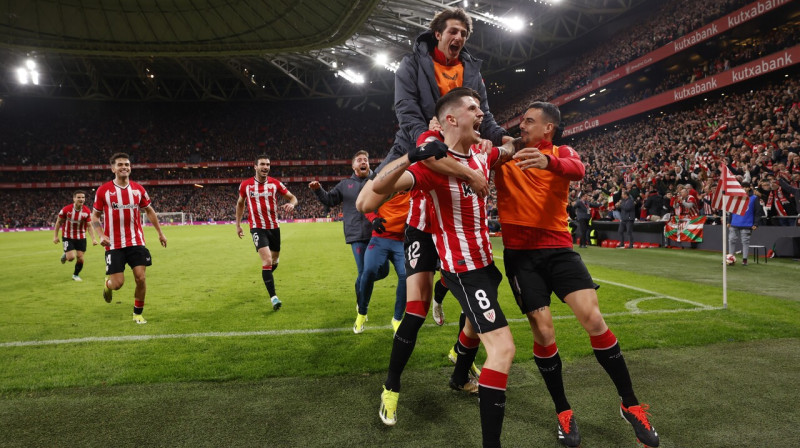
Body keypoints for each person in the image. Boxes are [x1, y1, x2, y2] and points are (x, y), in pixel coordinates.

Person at [493, 102, 660, 447]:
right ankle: (563, 411)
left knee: (593, 318)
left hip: (559, 250)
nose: (521, 124)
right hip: (521, 256)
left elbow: (578, 168)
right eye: (521, 119)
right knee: (543, 330)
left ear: (548, 128)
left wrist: (547, 161)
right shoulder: (505, 153)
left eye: (529, 120)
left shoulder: (560, 151)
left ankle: (630, 403)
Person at [359, 87, 519, 448]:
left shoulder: (478, 151)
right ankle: (391, 385)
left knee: (475, 319)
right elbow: (367, 199)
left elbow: (499, 151)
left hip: (470, 251)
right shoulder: (428, 151)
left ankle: (460, 371)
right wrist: (411, 156)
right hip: (424, 233)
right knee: (415, 311)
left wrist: (508, 144)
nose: (483, 115)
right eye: (474, 108)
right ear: (448, 118)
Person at [309, 151, 389, 314]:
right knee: (364, 271)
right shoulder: (345, 185)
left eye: (365, 159)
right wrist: (318, 190)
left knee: (383, 271)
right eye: (359, 160)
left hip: (378, 232)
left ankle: (361, 285)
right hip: (357, 235)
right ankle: (361, 306)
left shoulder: (378, 180)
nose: (363, 161)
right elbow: (330, 200)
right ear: (353, 166)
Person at [91, 153, 167, 324]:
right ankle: (108, 284)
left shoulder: (138, 189)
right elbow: (94, 216)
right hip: (113, 244)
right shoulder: (104, 190)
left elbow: (149, 211)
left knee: (141, 278)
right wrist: (101, 235)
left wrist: (160, 233)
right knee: (117, 284)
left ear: (130, 167)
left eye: (127, 164)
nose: (124, 167)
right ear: (113, 169)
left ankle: (137, 313)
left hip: (136, 241)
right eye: (120, 164)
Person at [236, 155, 298, 311]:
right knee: (267, 260)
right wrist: (238, 225)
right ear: (255, 167)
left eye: (268, 164)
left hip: (274, 227)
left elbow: (293, 198)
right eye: (262, 164)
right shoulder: (246, 185)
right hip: (257, 227)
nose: (265, 167)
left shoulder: (275, 183)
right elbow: (240, 204)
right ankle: (274, 297)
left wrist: (292, 204)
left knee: (274, 261)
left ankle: (267, 277)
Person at [54, 190, 98, 281]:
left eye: (83, 197)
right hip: (68, 236)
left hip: (81, 237)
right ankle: (66, 255)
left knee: (80, 258)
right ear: (74, 199)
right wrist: (55, 236)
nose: (81, 199)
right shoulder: (66, 210)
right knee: (71, 258)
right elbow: (58, 222)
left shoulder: (86, 211)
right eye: (78, 197)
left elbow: (89, 226)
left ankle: (75, 275)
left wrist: (94, 239)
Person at [727, 183, 760, 266]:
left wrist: (756, 223)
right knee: (731, 240)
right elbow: (732, 210)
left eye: (746, 187)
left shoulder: (754, 198)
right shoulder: (736, 197)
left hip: (747, 223)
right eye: (743, 187)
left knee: (745, 241)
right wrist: (729, 221)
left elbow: (757, 212)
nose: (744, 188)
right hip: (734, 222)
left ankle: (745, 259)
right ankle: (730, 258)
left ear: (749, 188)